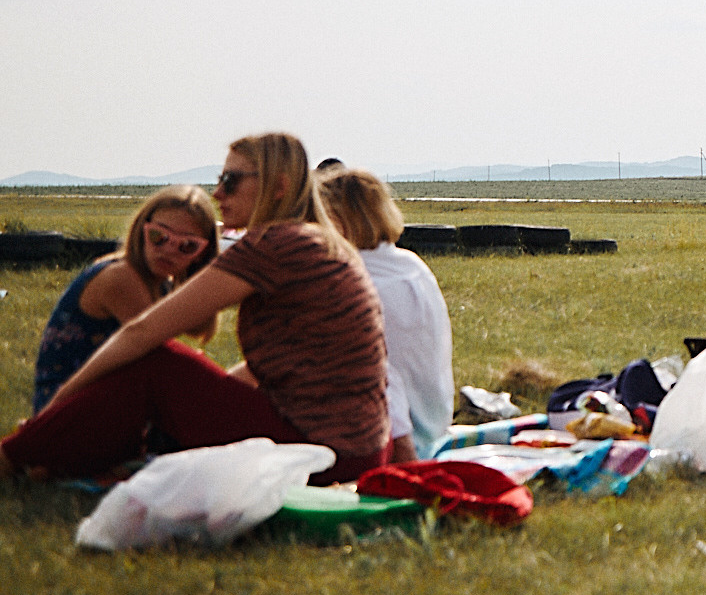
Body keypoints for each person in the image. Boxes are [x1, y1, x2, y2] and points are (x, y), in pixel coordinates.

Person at [1, 133, 389, 486]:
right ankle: (62, 455)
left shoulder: (276, 243)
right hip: (360, 451)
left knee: (157, 364)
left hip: (320, 452)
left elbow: (143, 331)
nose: (217, 193)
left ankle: (16, 454)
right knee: (174, 374)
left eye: (231, 181)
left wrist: (53, 408)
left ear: (279, 187)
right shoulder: (321, 242)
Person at [30, 186, 221, 414]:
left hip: (105, 404)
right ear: (142, 229)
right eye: (159, 237)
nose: (169, 249)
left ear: (201, 254)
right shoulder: (121, 277)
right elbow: (162, 358)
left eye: (187, 246)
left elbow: (194, 335)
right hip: (66, 411)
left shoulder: (160, 284)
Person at [317, 167, 455, 462]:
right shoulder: (411, 264)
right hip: (435, 421)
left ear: (338, 221)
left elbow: (381, 377)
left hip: (397, 439)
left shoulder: (355, 283)